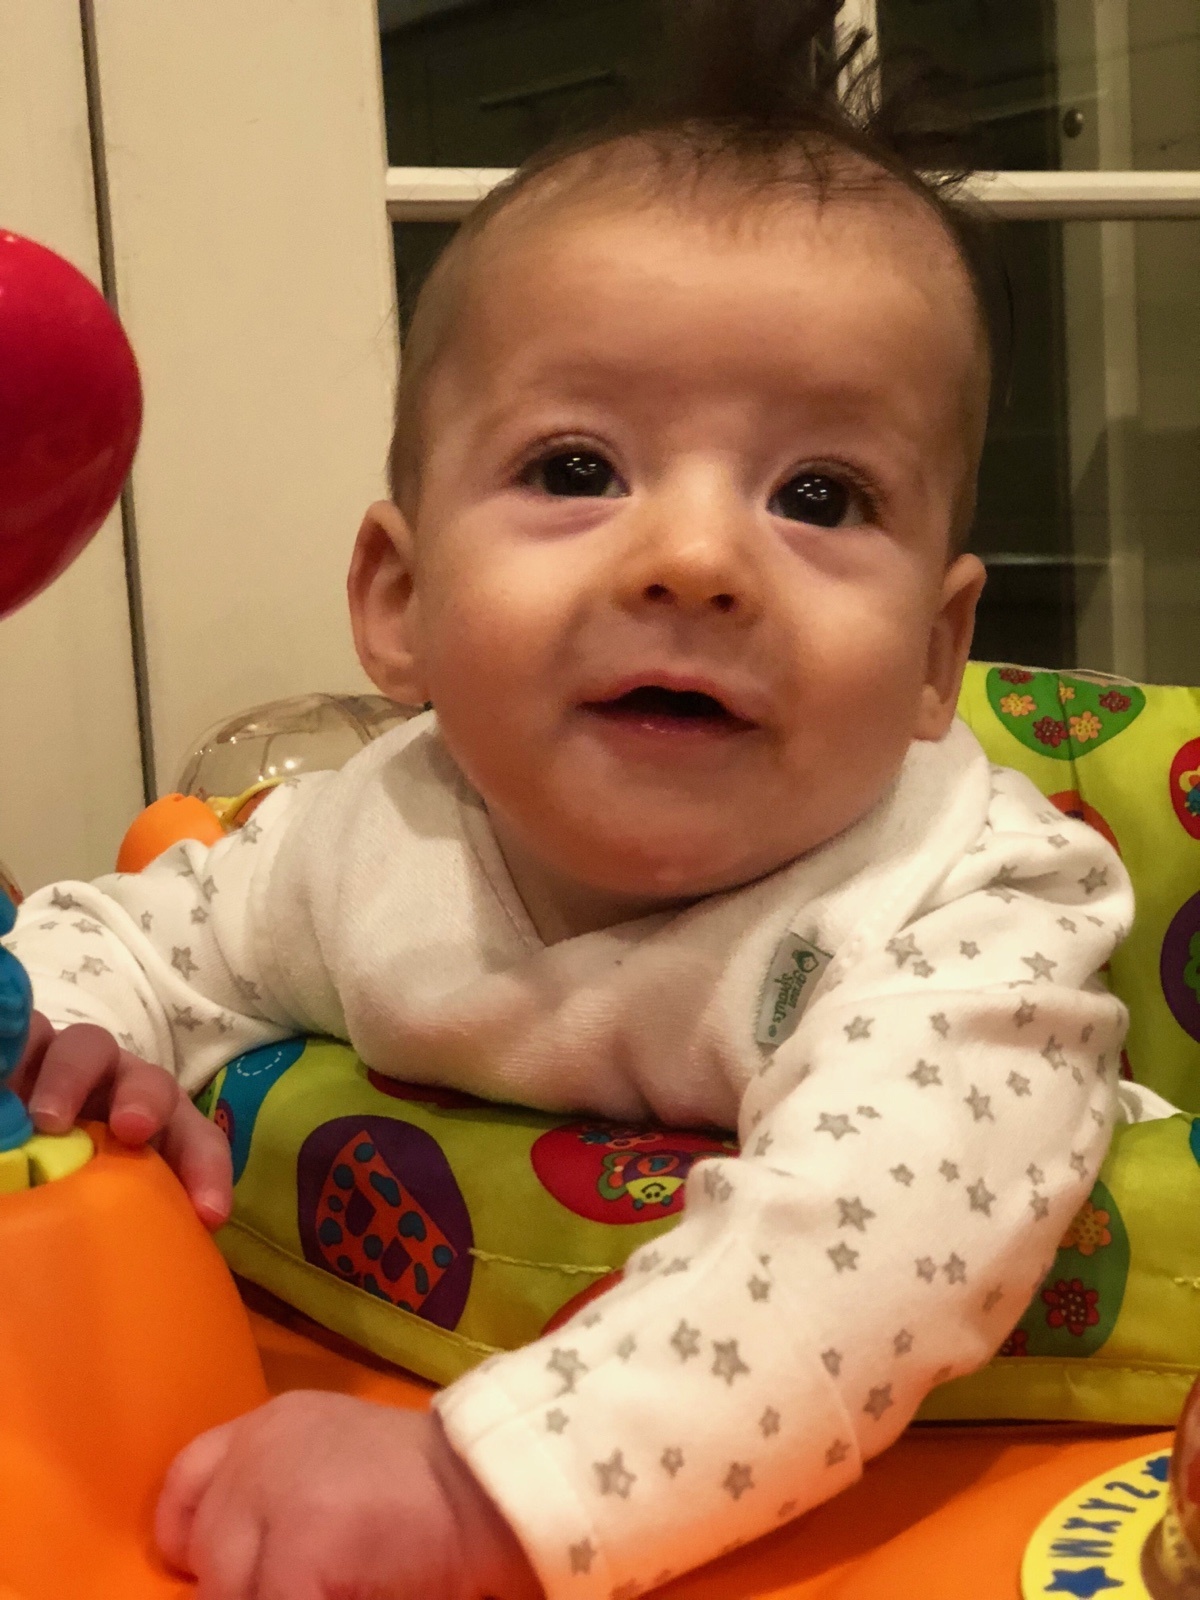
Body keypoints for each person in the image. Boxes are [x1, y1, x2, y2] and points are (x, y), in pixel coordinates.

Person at [6, 3, 1134, 1596]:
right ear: (400, 600)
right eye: (577, 469)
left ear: (935, 655)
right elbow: (142, 937)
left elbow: (869, 1242)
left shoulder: (969, 903)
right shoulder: (375, 831)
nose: (696, 559)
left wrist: (481, 1488)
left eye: (819, 496)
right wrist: (63, 1042)